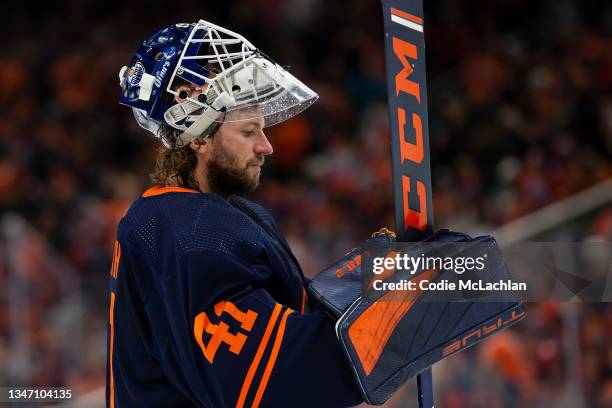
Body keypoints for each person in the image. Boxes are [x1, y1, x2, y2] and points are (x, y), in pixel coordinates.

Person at [107, 19, 363, 407]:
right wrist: (396, 316)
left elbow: (301, 308)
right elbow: (271, 382)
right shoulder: (187, 230)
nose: (267, 147)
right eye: (248, 132)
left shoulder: (221, 215)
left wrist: (377, 277)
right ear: (199, 138)